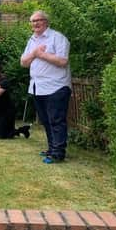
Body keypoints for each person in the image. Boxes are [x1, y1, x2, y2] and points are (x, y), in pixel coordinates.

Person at [20, 10, 72, 164]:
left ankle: (58, 153)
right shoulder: (32, 40)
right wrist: (34, 53)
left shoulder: (58, 38)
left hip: (57, 86)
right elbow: (23, 62)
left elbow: (63, 62)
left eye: (38, 20)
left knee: (56, 120)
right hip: (38, 87)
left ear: (46, 22)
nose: (35, 23)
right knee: (46, 120)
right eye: (32, 21)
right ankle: (51, 148)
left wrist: (40, 55)